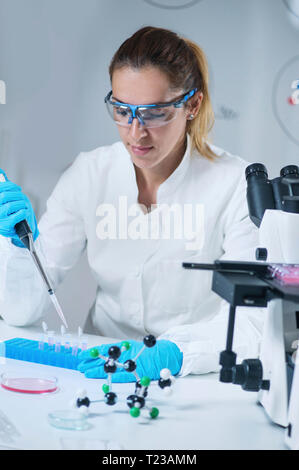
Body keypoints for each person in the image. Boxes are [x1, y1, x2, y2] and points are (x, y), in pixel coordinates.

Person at [0, 26, 264, 381]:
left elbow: (255, 321)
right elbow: (19, 312)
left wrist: (175, 352)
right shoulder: (90, 173)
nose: (135, 131)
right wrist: (18, 249)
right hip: (97, 373)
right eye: (122, 110)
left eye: (154, 113)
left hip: (193, 380)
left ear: (192, 105)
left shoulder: (236, 184)